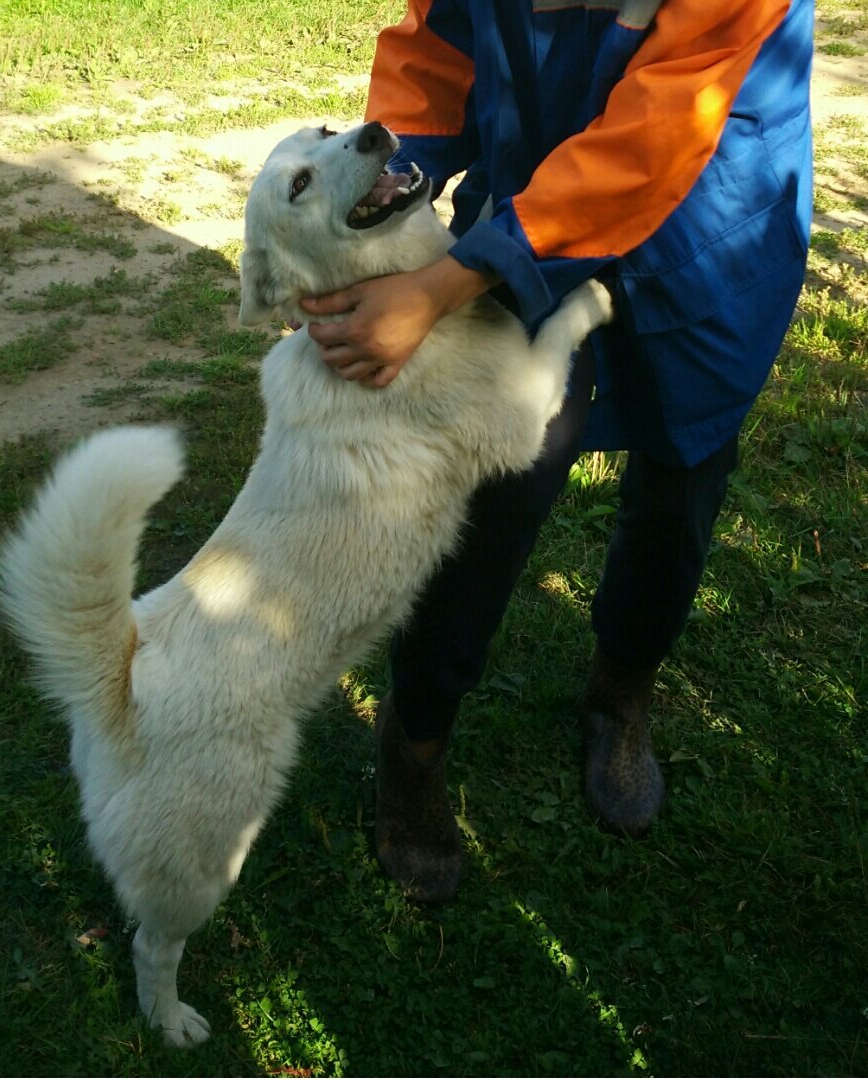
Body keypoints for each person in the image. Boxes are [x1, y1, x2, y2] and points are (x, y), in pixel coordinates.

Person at [298, 0, 814, 902]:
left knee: (682, 473)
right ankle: (413, 745)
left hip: (711, 215)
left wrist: (443, 285)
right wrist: (385, 187)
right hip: (531, 192)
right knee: (492, 483)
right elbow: (437, 45)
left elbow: (661, 129)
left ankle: (624, 691)